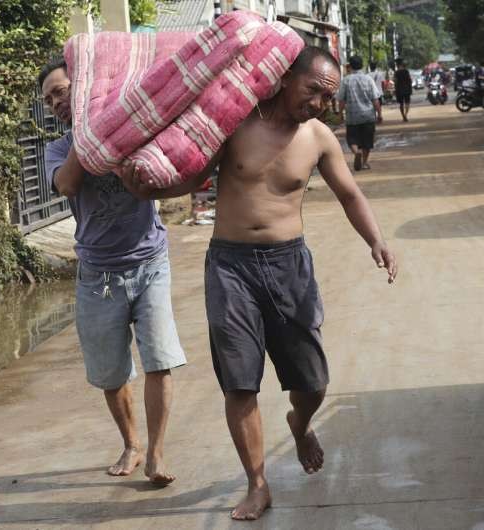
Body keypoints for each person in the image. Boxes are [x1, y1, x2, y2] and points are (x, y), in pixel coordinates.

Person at [123, 46, 397, 521]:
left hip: (289, 265)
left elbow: (349, 193)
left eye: (324, 98)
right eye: (311, 91)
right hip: (230, 266)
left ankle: (300, 422)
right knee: (239, 382)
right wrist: (149, 188)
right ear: (286, 78)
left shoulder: (319, 138)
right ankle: (258, 483)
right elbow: (195, 177)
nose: (316, 103)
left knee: (312, 382)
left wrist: (376, 240)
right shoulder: (234, 122)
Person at [39, 58, 187, 487]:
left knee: (160, 358)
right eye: (49, 98)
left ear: (81, 87)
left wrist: (109, 128)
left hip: (149, 262)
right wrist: (92, 136)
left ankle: (156, 454)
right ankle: (131, 443)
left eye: (61, 91)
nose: (55, 102)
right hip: (98, 275)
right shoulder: (59, 149)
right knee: (111, 371)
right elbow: (66, 184)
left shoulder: (128, 127)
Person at [337, 55, 383, 171]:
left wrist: (340, 114)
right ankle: (365, 162)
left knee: (352, 139)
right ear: (362, 65)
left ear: (350, 66)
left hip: (352, 116)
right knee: (367, 141)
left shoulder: (346, 80)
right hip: (368, 116)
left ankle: (356, 151)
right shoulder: (368, 79)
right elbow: (375, 99)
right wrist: (379, 113)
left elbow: (341, 100)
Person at [393, 58, 412, 122]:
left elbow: (395, 81)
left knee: (401, 104)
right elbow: (410, 80)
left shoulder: (396, 72)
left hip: (399, 89)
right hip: (407, 89)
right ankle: (406, 115)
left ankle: (403, 115)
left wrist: (395, 89)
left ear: (398, 65)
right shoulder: (406, 71)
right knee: (407, 102)